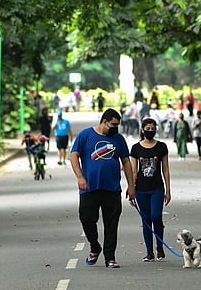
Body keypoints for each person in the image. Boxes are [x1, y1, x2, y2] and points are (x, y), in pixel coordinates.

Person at [70, 108, 135, 269]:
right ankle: (94, 245)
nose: (115, 128)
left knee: (111, 224)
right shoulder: (85, 135)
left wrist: (131, 185)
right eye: (113, 124)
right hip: (89, 187)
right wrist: (80, 177)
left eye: (117, 125)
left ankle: (110, 257)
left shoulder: (118, 139)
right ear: (104, 121)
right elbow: (74, 155)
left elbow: (126, 161)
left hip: (112, 188)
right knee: (86, 218)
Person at [130, 118, 171, 262]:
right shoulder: (136, 148)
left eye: (152, 128)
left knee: (156, 217)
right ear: (142, 129)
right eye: (147, 128)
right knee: (146, 220)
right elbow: (134, 171)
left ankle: (159, 246)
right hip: (141, 189)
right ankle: (149, 251)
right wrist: (131, 189)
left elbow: (165, 169)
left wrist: (168, 190)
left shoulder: (161, 147)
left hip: (157, 188)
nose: (150, 131)